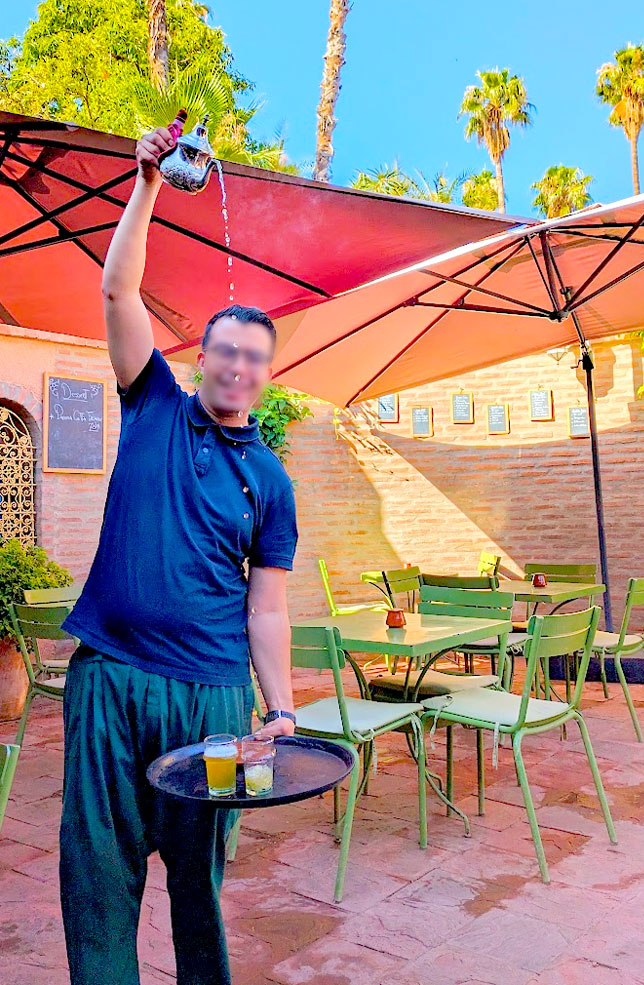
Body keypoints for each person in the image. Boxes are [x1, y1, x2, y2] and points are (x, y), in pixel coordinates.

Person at [60, 125, 298, 985]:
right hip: (110, 679)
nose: (237, 367)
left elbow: (266, 605)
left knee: (198, 885)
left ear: (268, 376)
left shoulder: (270, 480)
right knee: (98, 880)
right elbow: (116, 287)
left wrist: (282, 706)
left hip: (210, 697)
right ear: (202, 358)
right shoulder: (151, 400)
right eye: (225, 351)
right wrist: (149, 183)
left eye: (254, 359)